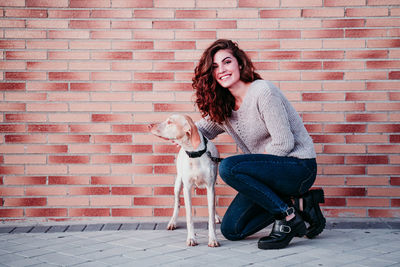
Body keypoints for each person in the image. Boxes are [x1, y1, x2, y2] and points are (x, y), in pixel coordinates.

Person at [192, 39, 326, 249]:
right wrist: (178, 129)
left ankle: (288, 218)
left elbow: (283, 144)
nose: (222, 70)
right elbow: (200, 131)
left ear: (240, 64)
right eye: (215, 66)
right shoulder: (224, 106)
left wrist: (255, 168)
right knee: (232, 230)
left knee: (228, 168)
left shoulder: (263, 91)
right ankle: (302, 205)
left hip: (298, 167)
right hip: (269, 174)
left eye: (227, 62)